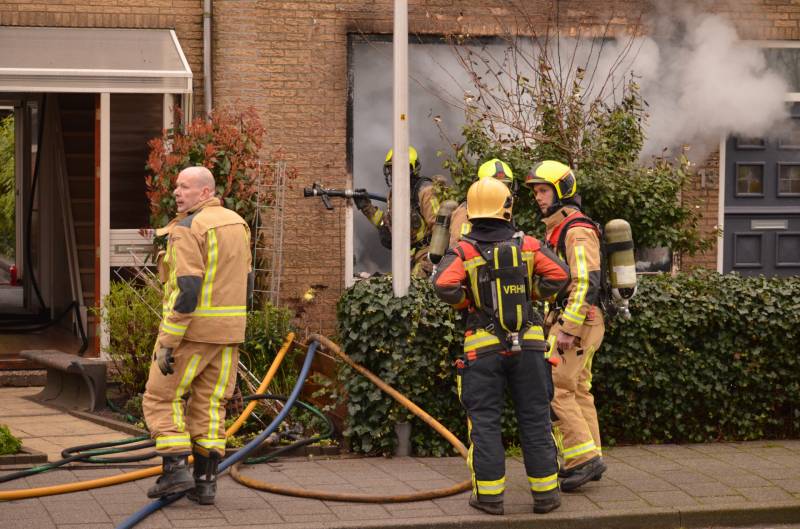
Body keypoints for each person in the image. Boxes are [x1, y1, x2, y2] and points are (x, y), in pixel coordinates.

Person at [432, 177, 569, 515]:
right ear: (507, 208)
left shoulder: (464, 250)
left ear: (472, 210)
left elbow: (443, 284)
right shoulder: (528, 245)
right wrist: (530, 294)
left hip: (483, 348)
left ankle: (490, 498)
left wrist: (467, 303)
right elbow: (559, 275)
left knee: (485, 423)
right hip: (531, 346)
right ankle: (546, 496)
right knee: (536, 419)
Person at [143, 166, 252, 505]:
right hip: (229, 334)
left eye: (185, 187)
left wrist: (167, 342)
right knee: (210, 404)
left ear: (206, 192)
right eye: (176, 186)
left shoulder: (188, 228)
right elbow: (247, 282)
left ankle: (175, 472)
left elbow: (187, 290)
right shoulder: (238, 223)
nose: (177, 192)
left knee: (161, 397)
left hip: (192, 333)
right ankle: (205, 484)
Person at [525, 160, 607, 491]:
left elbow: (587, 282)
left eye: (544, 190)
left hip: (579, 321)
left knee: (557, 388)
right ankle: (591, 455)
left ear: (562, 190)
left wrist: (567, 329)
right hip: (581, 319)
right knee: (578, 389)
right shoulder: (561, 228)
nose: (538, 197)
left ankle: (581, 461)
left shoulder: (576, 230)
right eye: (536, 192)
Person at [354, 146, 443, 278]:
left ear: (410, 169)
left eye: (397, 169)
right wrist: (367, 208)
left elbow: (439, 228)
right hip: (408, 257)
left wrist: (432, 261)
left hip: (426, 255)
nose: (393, 173)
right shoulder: (394, 194)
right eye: (391, 169)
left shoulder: (426, 191)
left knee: (411, 286)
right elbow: (387, 225)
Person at [448, 158, 517, 247]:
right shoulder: (467, 213)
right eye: (494, 186)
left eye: (505, 185)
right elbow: (458, 248)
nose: (501, 191)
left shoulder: (504, 211)